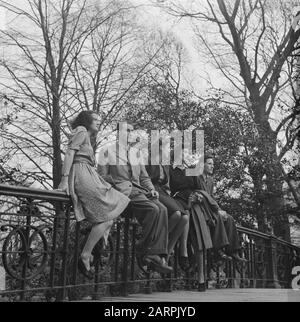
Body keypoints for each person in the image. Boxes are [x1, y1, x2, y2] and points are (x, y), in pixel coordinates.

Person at [58, 111, 130, 280]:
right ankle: (86, 253)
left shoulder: (86, 135)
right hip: (81, 174)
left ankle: (96, 243)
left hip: (89, 174)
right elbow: (69, 154)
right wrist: (64, 180)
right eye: (96, 119)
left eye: (99, 120)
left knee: (110, 214)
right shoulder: (82, 130)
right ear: (87, 120)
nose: (99, 122)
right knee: (107, 215)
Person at [97, 123, 173, 274]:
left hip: (139, 191)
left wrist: (152, 189)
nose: (130, 133)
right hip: (122, 192)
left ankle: (156, 254)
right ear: (118, 133)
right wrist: (116, 185)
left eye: (132, 131)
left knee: (163, 209)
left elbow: (144, 177)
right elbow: (101, 176)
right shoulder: (107, 151)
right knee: (153, 209)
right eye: (127, 130)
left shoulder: (136, 153)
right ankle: (144, 250)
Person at [170, 163, 213, 292]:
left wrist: (197, 196)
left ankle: (201, 276)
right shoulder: (171, 170)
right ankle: (182, 251)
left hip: (194, 203)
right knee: (185, 214)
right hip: (178, 200)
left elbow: (199, 188)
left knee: (199, 232)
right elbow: (169, 188)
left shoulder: (191, 170)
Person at [198, 155, 246, 262]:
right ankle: (218, 250)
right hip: (203, 208)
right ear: (202, 165)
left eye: (213, 164)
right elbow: (202, 196)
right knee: (218, 216)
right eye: (209, 163)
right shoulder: (197, 178)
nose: (212, 166)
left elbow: (212, 198)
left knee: (229, 218)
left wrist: (219, 208)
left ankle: (233, 251)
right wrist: (217, 210)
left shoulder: (210, 180)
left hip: (212, 207)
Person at [146, 151, 188, 262]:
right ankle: (158, 244)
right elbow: (144, 178)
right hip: (153, 189)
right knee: (177, 214)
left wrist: (168, 191)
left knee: (185, 218)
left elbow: (167, 184)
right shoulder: (148, 161)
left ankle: (166, 254)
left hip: (164, 192)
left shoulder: (165, 165)